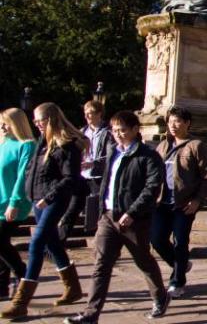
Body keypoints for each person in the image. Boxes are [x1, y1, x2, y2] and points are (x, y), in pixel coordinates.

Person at [63, 111, 170, 323]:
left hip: (134, 219)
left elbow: (151, 188)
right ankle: (90, 314)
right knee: (101, 265)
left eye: (122, 130)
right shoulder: (113, 151)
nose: (118, 134)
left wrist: (132, 212)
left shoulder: (148, 156)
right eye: (114, 130)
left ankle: (160, 296)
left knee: (144, 261)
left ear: (135, 130)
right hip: (109, 217)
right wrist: (102, 210)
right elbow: (107, 182)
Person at [2, 102, 87, 319]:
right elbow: (32, 170)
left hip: (55, 200)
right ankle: (73, 288)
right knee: (52, 243)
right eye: (35, 120)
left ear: (51, 119)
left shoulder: (67, 145)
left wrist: (48, 198)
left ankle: (21, 301)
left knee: (37, 242)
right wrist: (32, 196)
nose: (36, 124)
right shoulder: (42, 142)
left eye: (39, 120)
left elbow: (71, 178)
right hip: (38, 199)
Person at [151, 106, 207, 298]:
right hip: (162, 202)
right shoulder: (162, 145)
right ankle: (182, 265)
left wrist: (198, 200)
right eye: (170, 122)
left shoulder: (196, 146)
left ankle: (177, 281)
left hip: (184, 203)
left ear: (187, 123)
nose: (173, 126)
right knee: (157, 239)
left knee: (180, 242)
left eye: (177, 121)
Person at [59, 100, 114, 242]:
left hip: (98, 177)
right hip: (82, 176)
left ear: (99, 114)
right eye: (86, 113)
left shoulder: (108, 132)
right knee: (72, 209)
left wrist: (94, 163)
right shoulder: (82, 132)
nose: (88, 116)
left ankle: (102, 243)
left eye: (91, 113)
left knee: (98, 212)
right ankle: (59, 242)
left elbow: (110, 155)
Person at [0, 109, 36, 300]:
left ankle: (24, 275)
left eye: (6, 123)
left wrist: (14, 202)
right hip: (0, 201)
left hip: (14, 203)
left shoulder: (27, 145)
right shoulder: (3, 143)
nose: (3, 127)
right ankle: (2, 286)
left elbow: (23, 177)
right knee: (2, 243)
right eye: (1, 123)